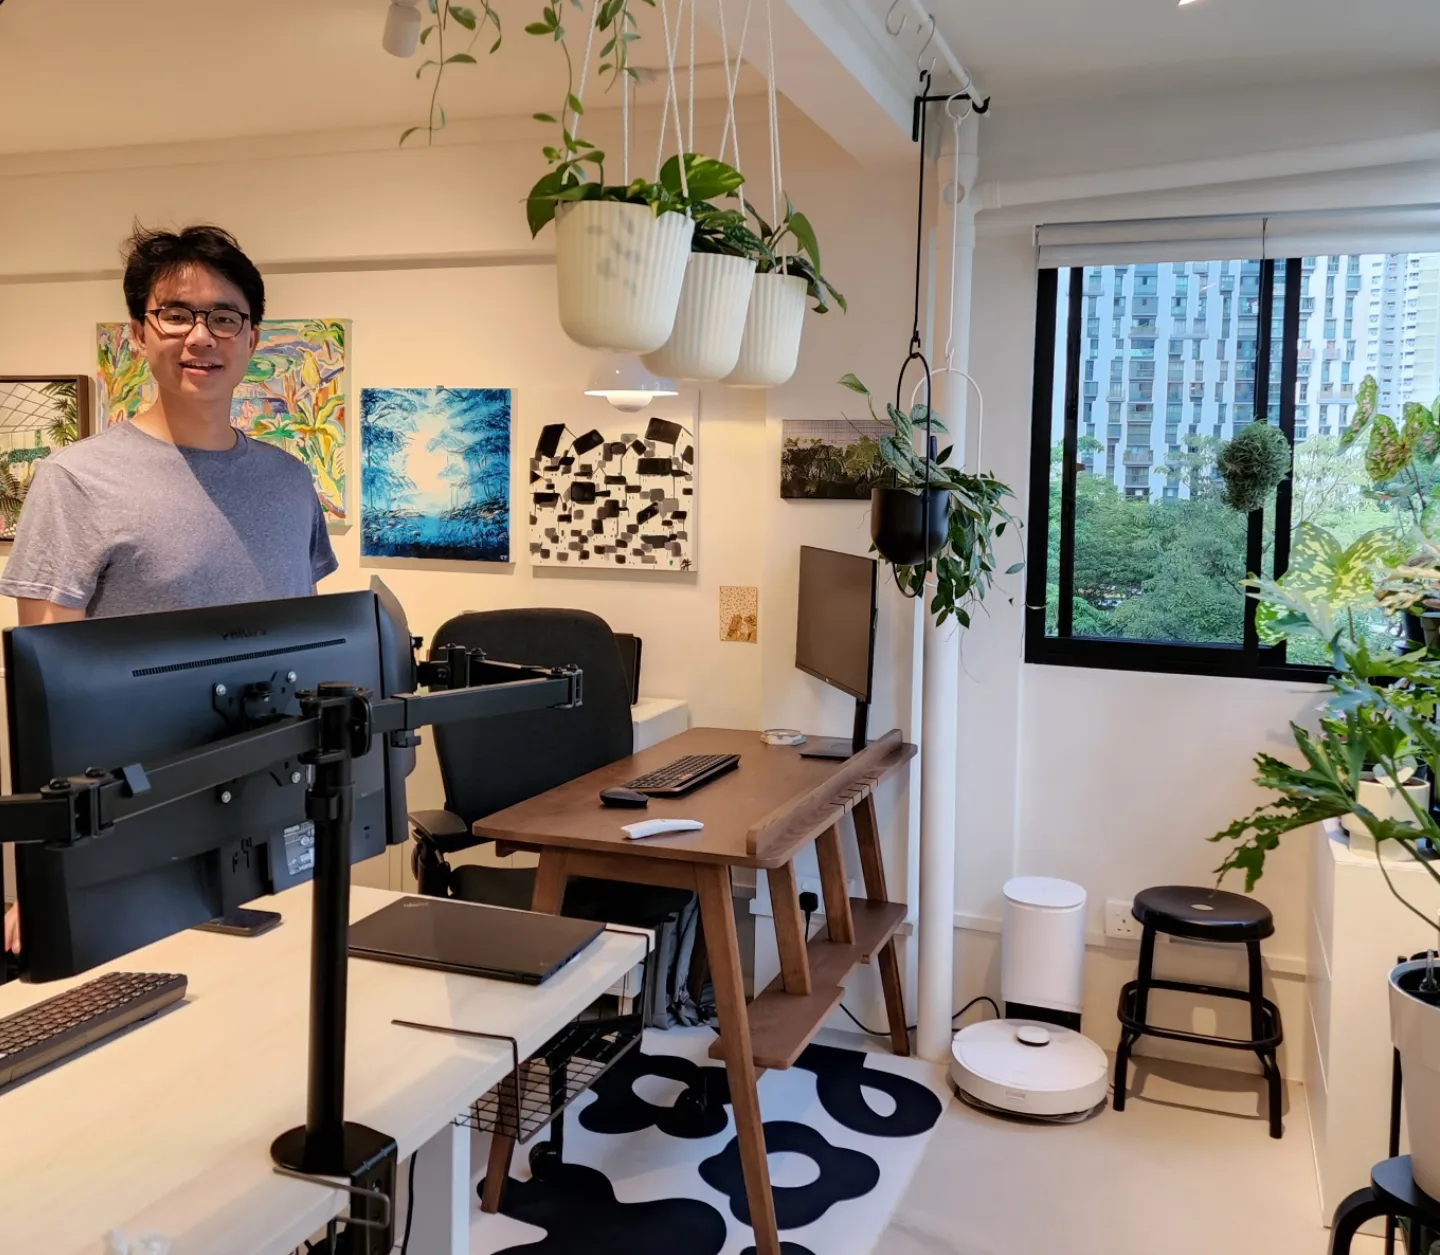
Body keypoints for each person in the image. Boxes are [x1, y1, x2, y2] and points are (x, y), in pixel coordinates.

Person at [0, 224, 338, 955]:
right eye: (175, 314)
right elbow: (50, 704)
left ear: (251, 337)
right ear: (137, 333)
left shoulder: (288, 482)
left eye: (224, 316)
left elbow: (309, 650)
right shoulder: (78, 480)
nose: (201, 337)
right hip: (134, 829)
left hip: (276, 812)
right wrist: (42, 875)